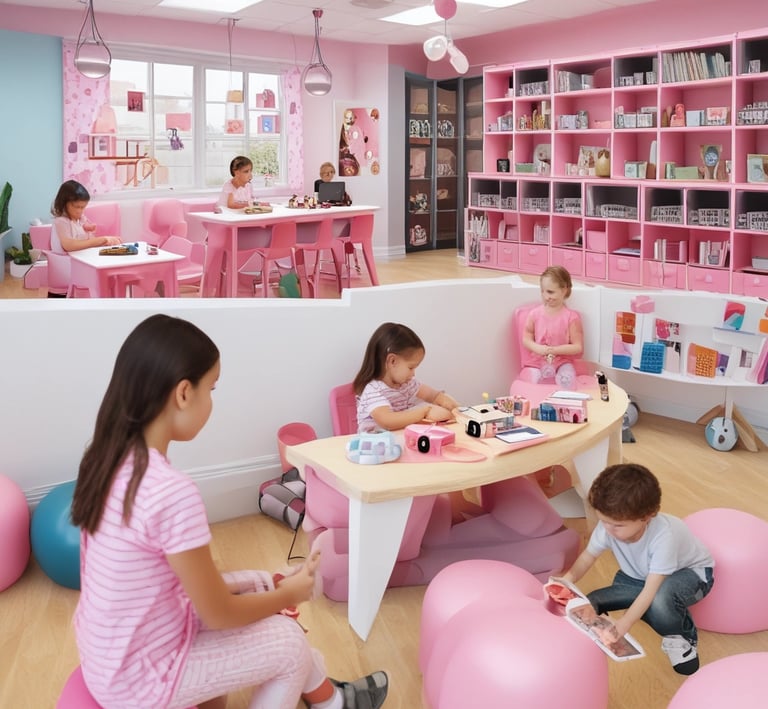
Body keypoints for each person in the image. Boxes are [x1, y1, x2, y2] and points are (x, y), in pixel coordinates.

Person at [70, 314, 389, 709]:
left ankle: (330, 700)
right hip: (140, 679)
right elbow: (218, 613)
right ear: (184, 393)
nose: (211, 402)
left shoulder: (105, 460)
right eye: (211, 388)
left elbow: (171, 583)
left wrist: (270, 585)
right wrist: (290, 593)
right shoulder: (170, 492)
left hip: (110, 654)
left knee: (260, 587)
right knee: (289, 643)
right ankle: (331, 701)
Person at [558, 463, 714, 675]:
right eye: (603, 521)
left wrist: (625, 623)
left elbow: (651, 589)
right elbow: (587, 557)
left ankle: (682, 637)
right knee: (591, 601)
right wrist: (566, 581)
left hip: (690, 575)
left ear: (647, 516)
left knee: (660, 598)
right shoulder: (609, 526)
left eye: (617, 525)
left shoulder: (664, 537)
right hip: (639, 576)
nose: (608, 530)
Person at [354, 322, 458, 432]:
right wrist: (425, 411)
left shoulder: (407, 384)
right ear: (392, 361)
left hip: (400, 439)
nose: (413, 374)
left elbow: (433, 395)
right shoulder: (373, 391)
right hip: (376, 445)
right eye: (411, 367)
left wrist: (452, 406)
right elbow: (388, 422)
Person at [520, 265, 584, 388]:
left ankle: (563, 400)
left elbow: (577, 347)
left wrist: (554, 350)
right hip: (537, 362)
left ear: (564, 289)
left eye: (550, 292)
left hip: (562, 362)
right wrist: (537, 348)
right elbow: (526, 339)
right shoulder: (534, 314)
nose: (546, 296)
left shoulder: (571, 317)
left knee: (567, 379)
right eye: (543, 291)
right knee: (531, 378)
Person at [51, 180, 122, 253]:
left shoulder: (80, 219)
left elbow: (87, 236)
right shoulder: (61, 221)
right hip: (65, 260)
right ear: (64, 203)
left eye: (83, 207)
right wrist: (101, 240)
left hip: (80, 256)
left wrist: (105, 242)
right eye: (77, 207)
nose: (80, 211)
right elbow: (69, 245)